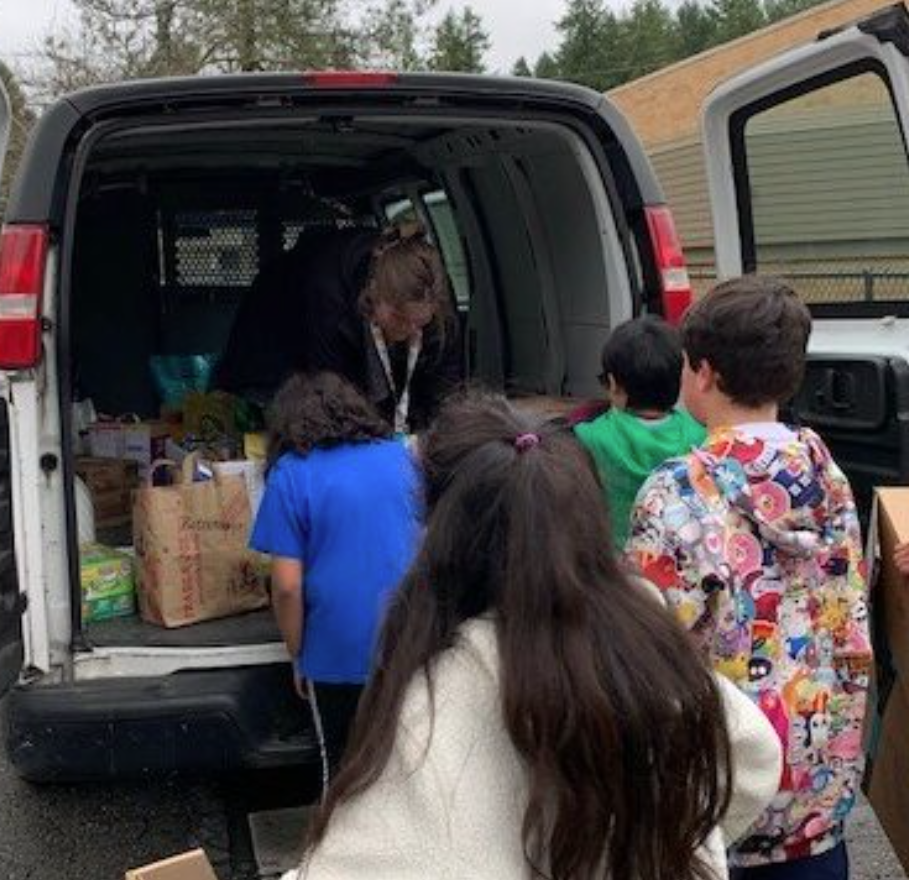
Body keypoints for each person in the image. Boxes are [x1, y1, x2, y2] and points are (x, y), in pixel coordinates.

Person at [294, 392, 782, 880]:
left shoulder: (442, 689)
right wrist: (680, 834)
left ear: (437, 526)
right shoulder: (644, 632)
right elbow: (755, 754)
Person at [627, 276, 872, 879]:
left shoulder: (674, 491)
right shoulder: (827, 476)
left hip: (722, 797)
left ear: (703, 373)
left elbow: (648, 644)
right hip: (818, 795)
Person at [250, 372, 421, 787]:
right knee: (406, 770)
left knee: (343, 773)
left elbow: (287, 586)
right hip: (411, 638)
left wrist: (298, 653)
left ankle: (340, 848)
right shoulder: (403, 456)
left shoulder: (291, 474)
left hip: (336, 649)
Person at [300, 223, 462, 433]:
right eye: (399, 318)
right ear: (374, 293)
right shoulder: (329, 301)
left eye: (420, 322)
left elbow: (446, 397)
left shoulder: (436, 302)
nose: (410, 330)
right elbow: (330, 396)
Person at [575, 315, 706, 545]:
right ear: (680, 380)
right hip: (676, 557)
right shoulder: (700, 435)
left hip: (614, 560)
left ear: (614, 384)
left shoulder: (588, 437)